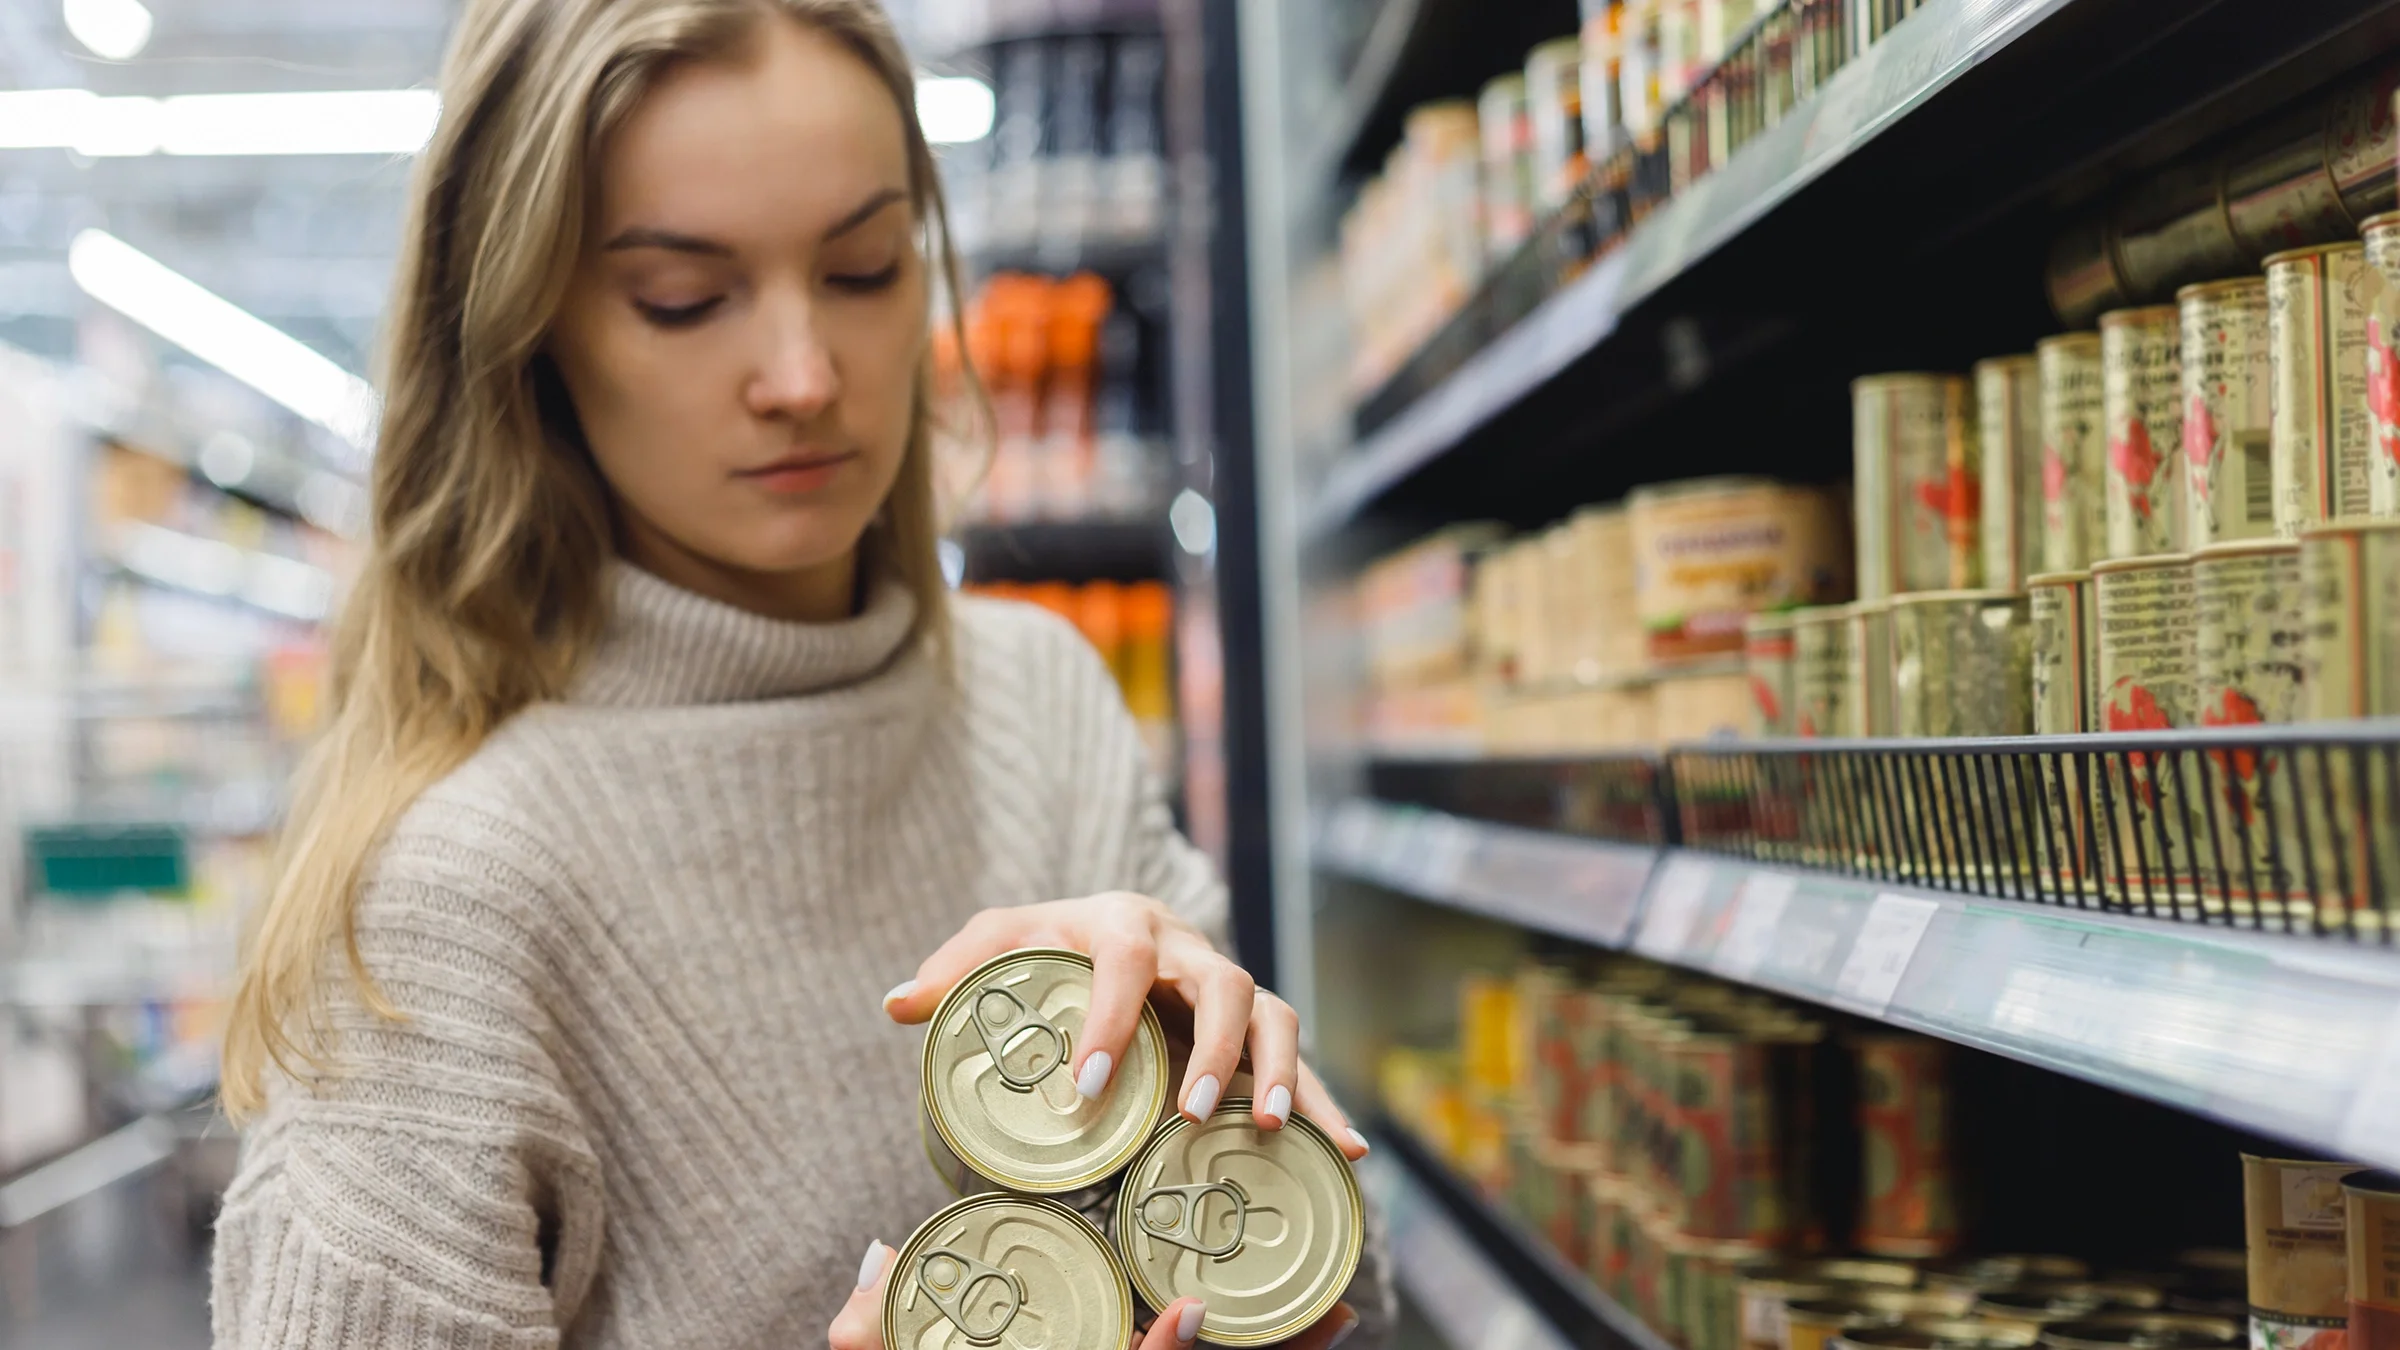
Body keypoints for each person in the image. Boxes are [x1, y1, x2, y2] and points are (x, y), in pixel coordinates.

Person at [207, 2, 1384, 1346]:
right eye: (683, 298)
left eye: (867, 267)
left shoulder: (1038, 702)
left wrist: (1231, 1125)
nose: (806, 375)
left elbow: (1345, 1293)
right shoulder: (444, 905)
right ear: (523, 325)